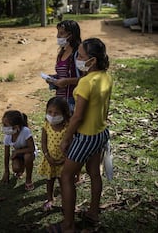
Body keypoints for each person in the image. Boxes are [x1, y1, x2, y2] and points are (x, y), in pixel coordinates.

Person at [48, 38, 113, 233]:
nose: (78, 58)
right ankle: (93, 213)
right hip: (101, 133)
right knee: (94, 173)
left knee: (66, 176)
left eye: (81, 56)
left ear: (92, 61)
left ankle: (68, 226)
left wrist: (67, 138)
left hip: (85, 137)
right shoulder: (106, 76)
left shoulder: (85, 82)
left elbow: (77, 117)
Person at [38, 97, 70, 212]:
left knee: (63, 182)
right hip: (49, 160)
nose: (52, 115)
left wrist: (65, 160)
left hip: (64, 161)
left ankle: (65, 201)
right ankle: (50, 198)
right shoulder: (46, 125)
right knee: (49, 180)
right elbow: (43, 142)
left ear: (64, 113)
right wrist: (47, 156)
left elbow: (72, 145)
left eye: (56, 113)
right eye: (50, 112)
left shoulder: (68, 127)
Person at [46, 20, 82, 113]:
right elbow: (62, 75)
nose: (58, 36)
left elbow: (86, 78)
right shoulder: (61, 53)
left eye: (61, 33)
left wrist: (67, 81)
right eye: (58, 33)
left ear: (71, 35)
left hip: (73, 100)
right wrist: (53, 79)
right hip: (60, 100)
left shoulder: (78, 54)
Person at [1, 110, 36, 191]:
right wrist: (6, 171)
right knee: (16, 168)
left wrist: (17, 152)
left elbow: (32, 148)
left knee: (27, 157)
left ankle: (28, 179)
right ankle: (22, 167)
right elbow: (6, 155)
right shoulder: (7, 136)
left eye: (5, 125)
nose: (4, 127)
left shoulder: (26, 131)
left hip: (28, 152)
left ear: (16, 127)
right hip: (19, 154)